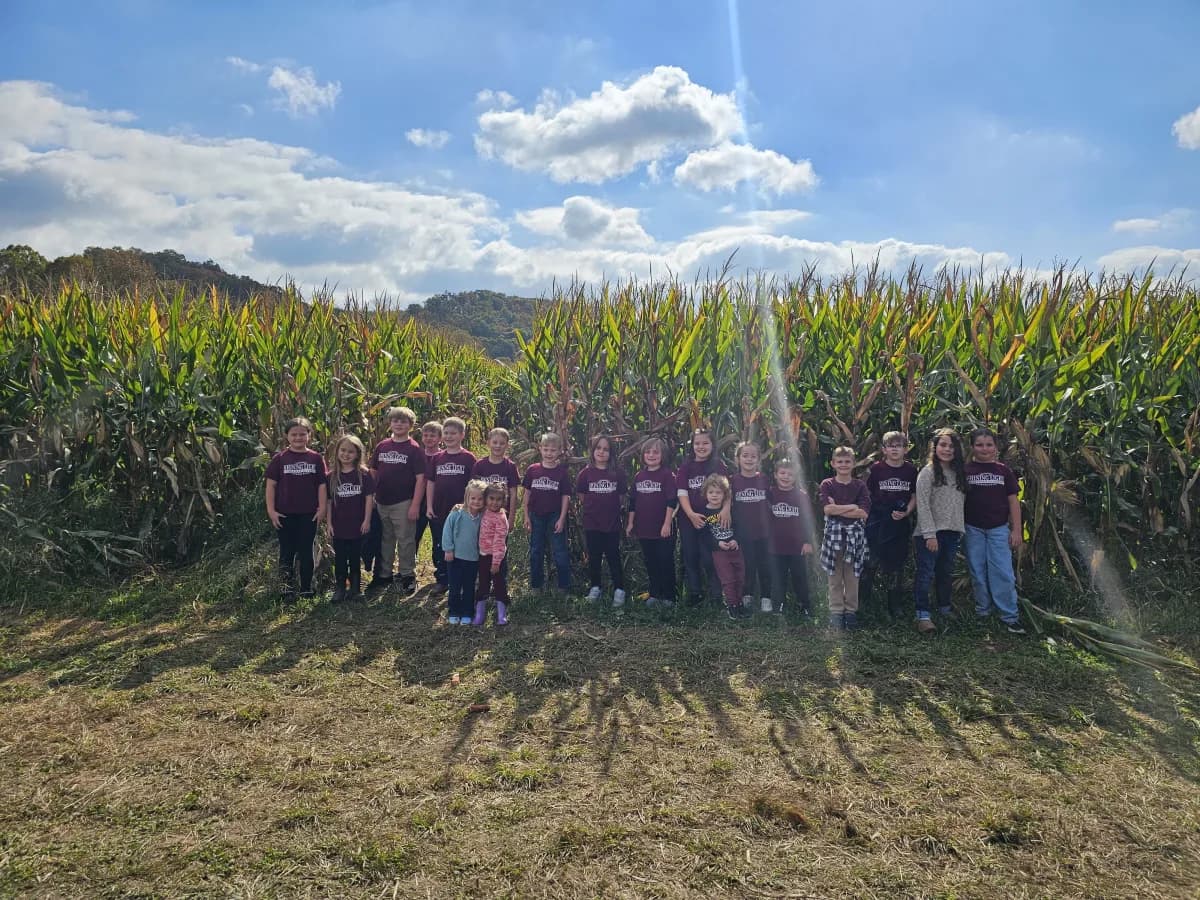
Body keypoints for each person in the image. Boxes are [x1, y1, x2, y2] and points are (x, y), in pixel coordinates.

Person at [964, 427, 1026, 634]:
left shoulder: (1003, 471)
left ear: (996, 447)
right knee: (977, 570)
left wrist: (1017, 530)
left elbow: (1013, 502)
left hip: (998, 529)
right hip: (973, 529)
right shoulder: (966, 471)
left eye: (989, 444)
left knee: (1003, 572)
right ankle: (983, 612)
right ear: (972, 447)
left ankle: (1009, 616)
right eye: (979, 445)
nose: (984, 449)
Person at [265, 417, 328, 601]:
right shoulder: (280, 459)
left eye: (302, 434)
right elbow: (271, 486)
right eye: (294, 434)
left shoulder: (316, 458)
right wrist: (271, 511)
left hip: (309, 513)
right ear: (286, 436)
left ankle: (307, 588)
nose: (298, 438)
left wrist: (322, 508)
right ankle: (286, 589)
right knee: (286, 551)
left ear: (309, 435)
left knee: (306, 550)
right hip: (284, 513)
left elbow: (322, 486)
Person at [913, 428, 967, 634]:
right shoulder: (927, 473)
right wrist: (929, 534)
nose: (947, 449)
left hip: (952, 532)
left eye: (951, 446)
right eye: (942, 445)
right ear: (934, 447)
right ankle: (922, 615)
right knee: (925, 574)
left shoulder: (959, 473)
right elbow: (923, 504)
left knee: (945, 572)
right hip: (930, 533)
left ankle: (944, 608)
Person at [367, 407, 426, 596]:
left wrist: (415, 504)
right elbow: (374, 471)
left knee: (406, 540)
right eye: (395, 421)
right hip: (382, 500)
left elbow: (420, 479)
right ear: (390, 423)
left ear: (411, 425)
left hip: (403, 502)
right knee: (386, 539)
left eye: (403, 421)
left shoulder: (414, 449)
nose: (399, 424)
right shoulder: (382, 446)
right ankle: (384, 574)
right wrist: (372, 494)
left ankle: (407, 575)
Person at [860, 432, 918, 618]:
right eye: (890, 446)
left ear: (906, 449)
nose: (894, 449)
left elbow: (914, 497)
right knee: (870, 562)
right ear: (883, 450)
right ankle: (864, 602)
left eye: (898, 445)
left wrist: (906, 512)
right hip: (877, 520)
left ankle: (895, 605)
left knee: (896, 565)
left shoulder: (911, 471)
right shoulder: (876, 469)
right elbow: (866, 494)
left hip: (900, 523)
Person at [675, 427, 729, 607]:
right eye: (697, 443)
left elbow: (728, 492)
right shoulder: (686, 467)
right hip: (688, 519)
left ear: (712, 445)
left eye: (705, 443)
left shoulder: (718, 466)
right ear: (692, 446)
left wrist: (726, 510)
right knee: (690, 555)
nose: (701, 446)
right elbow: (682, 493)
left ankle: (716, 594)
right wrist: (690, 514)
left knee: (711, 556)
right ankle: (694, 593)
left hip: (712, 519)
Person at [819, 446, 871, 629]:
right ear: (833, 463)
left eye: (847, 461)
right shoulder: (827, 484)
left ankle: (850, 612)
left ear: (854, 463)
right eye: (839, 461)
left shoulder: (860, 486)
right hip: (833, 537)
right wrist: (852, 507)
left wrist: (839, 508)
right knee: (834, 577)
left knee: (852, 577)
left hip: (854, 538)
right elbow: (827, 510)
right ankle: (836, 612)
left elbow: (863, 513)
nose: (843, 465)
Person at [425, 417, 477, 593]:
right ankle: (442, 579)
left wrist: (470, 507)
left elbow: (473, 485)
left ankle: (459, 579)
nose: (449, 436)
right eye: (446, 433)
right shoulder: (437, 458)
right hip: (439, 509)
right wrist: (429, 506)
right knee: (440, 545)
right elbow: (430, 483)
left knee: (461, 545)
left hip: (461, 511)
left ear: (462, 435)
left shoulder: (469, 458)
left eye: (453, 433)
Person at [576, 435, 628, 607]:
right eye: (598, 448)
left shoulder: (617, 473)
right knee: (594, 556)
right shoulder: (585, 473)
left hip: (612, 522)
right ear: (592, 451)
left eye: (606, 449)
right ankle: (595, 587)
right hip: (592, 522)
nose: (601, 452)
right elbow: (582, 496)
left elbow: (621, 497)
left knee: (613, 555)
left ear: (611, 452)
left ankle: (619, 589)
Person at [627, 436, 678, 608]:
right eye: (647, 452)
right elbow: (632, 502)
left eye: (655, 452)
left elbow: (672, 501)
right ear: (642, 455)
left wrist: (667, 523)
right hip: (644, 527)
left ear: (663, 455)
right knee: (651, 561)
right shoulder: (639, 476)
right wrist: (630, 523)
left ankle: (669, 596)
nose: (651, 455)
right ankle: (655, 593)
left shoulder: (667, 475)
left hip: (662, 527)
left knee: (665, 560)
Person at [326, 434, 375, 603]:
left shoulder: (364, 474)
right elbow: (329, 502)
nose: (346, 454)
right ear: (337, 451)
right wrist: (329, 523)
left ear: (358, 454)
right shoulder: (331, 476)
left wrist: (367, 520)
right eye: (343, 450)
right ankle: (340, 588)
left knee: (355, 557)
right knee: (340, 558)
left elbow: (369, 498)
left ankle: (355, 589)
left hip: (357, 524)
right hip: (339, 525)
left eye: (351, 452)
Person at [522, 432, 573, 593]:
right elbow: (527, 494)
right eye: (546, 449)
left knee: (560, 551)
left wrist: (562, 518)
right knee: (536, 551)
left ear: (559, 451)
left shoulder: (561, 472)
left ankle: (563, 585)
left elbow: (566, 496)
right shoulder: (533, 470)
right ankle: (536, 585)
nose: (549, 453)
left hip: (554, 516)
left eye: (553, 450)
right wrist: (526, 516)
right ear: (540, 449)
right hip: (536, 515)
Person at [768, 457, 813, 616]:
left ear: (795, 477)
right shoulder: (770, 493)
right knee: (779, 578)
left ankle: (805, 605)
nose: (786, 477)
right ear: (775, 475)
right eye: (782, 473)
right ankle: (779, 605)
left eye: (790, 474)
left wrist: (807, 542)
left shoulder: (801, 495)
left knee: (800, 577)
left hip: (797, 546)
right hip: (776, 545)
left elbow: (807, 520)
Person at [698, 474, 748, 620]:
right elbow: (704, 535)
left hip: (735, 550)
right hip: (719, 553)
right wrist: (717, 543)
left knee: (740, 577)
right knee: (728, 579)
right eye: (711, 492)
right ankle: (732, 606)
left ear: (724, 495)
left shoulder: (730, 510)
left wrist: (736, 540)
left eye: (718, 492)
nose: (714, 495)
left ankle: (739, 604)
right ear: (705, 493)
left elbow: (739, 528)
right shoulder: (704, 514)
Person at [731, 441, 772, 612]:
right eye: (745, 456)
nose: (749, 459)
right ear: (738, 459)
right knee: (746, 565)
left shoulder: (763, 479)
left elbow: (773, 501)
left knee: (764, 565)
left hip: (763, 532)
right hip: (743, 532)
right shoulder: (733, 481)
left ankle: (766, 597)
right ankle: (747, 595)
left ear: (759, 459)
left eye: (753, 456)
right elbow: (728, 505)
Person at [441, 480, 486, 625]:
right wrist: (448, 549)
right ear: (467, 497)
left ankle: (467, 612)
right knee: (454, 587)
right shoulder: (457, 513)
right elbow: (447, 531)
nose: (476, 502)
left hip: (473, 558)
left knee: (469, 587)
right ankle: (454, 611)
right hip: (455, 558)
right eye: (473, 498)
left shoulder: (483, 517)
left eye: (480, 499)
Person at [475, 483, 511, 626]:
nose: (494, 502)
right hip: (482, 555)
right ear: (486, 498)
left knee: (499, 584)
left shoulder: (501, 518)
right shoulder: (483, 511)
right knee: (483, 582)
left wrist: (496, 562)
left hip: (496, 558)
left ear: (503, 501)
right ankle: (479, 613)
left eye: (498, 500)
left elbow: (499, 542)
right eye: (491, 498)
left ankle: (501, 614)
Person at [472, 427, 520, 528]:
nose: (498, 446)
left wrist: (511, 518)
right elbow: (473, 490)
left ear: (507, 445)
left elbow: (513, 494)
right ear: (488, 443)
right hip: (482, 514)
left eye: (502, 443)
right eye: (495, 442)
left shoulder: (510, 466)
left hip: (502, 515)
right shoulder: (479, 465)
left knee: (499, 542)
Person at [414, 420, 444, 569]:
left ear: (440, 438)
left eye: (433, 435)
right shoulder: (417, 455)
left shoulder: (443, 456)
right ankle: (409, 568)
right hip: (418, 502)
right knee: (413, 536)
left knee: (438, 538)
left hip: (436, 502)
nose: (428, 438)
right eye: (425, 435)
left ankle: (440, 571)